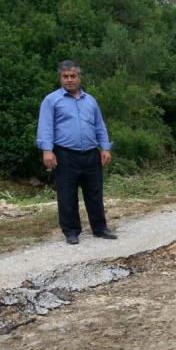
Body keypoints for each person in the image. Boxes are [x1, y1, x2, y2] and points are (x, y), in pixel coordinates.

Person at [37, 60, 116, 245]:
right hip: (65, 154)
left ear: (79, 77)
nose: (69, 80)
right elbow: (45, 127)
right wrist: (47, 150)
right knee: (67, 194)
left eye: (73, 76)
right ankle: (71, 231)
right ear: (60, 78)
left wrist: (105, 148)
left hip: (91, 154)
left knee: (95, 192)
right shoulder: (51, 100)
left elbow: (99, 125)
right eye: (66, 76)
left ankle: (100, 228)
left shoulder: (90, 100)